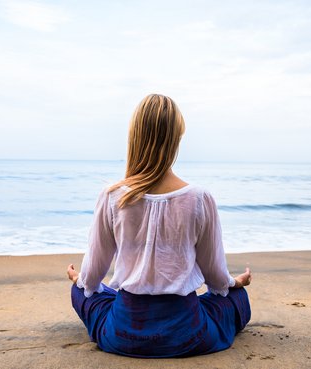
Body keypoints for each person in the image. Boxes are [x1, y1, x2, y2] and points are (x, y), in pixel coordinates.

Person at [66, 93, 251, 358]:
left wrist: (78, 280)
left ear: (134, 138)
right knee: (236, 297)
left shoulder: (111, 196)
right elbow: (215, 279)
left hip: (123, 335)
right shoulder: (199, 198)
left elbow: (93, 276)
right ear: (176, 139)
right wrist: (234, 282)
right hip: (188, 335)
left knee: (83, 291)